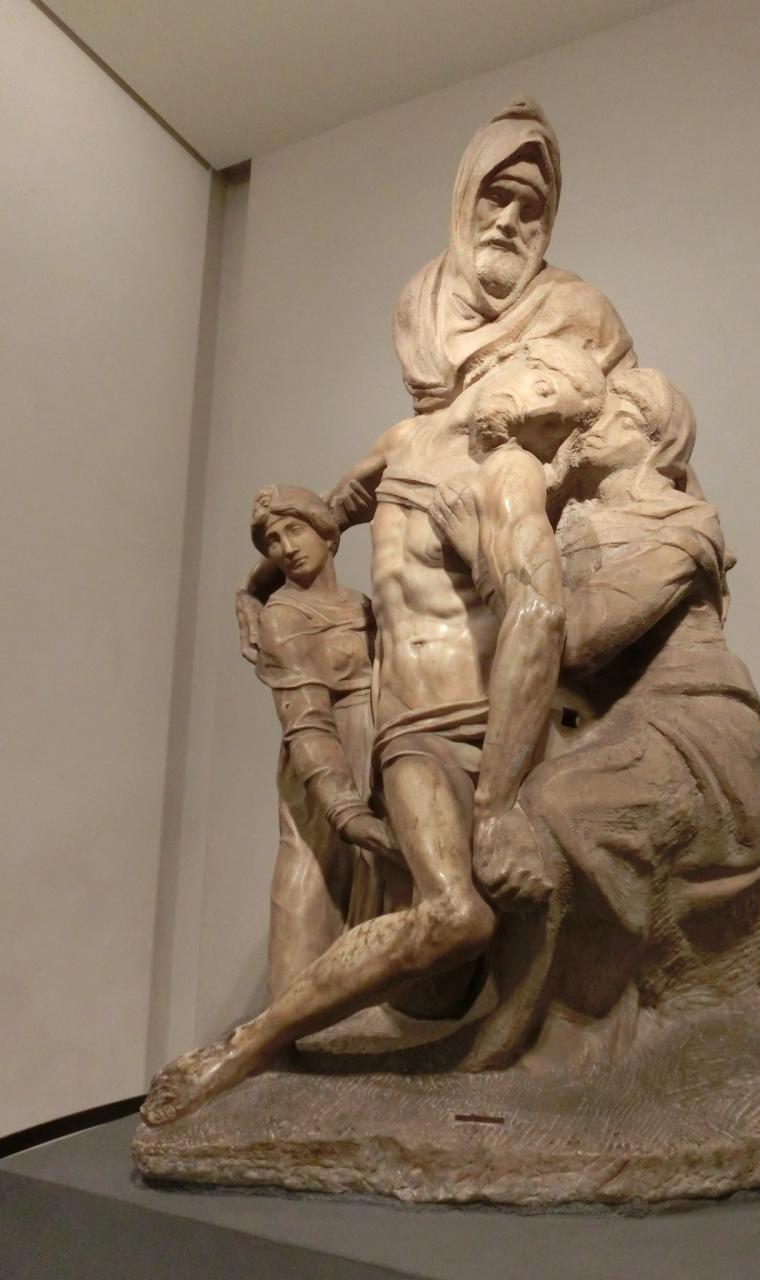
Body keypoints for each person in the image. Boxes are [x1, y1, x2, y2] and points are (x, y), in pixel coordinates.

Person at [140, 338, 607, 1125]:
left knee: (472, 935)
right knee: (455, 916)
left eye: (555, 421)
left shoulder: (508, 472)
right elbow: (326, 515)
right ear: (518, 362)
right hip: (413, 730)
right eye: (546, 393)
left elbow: (537, 613)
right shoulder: (401, 443)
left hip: (491, 724)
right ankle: (255, 1043)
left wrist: (498, 801)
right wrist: (258, 586)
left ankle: (264, 1038)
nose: (538, 420)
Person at [429, 368, 760, 1070]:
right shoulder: (568, 517)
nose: (591, 422)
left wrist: (479, 552)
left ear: (654, 436)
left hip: (690, 720)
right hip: (607, 722)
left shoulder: (685, 526)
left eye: (614, 412)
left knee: (559, 808)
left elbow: (577, 639)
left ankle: (572, 1022)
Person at [245, 486, 404, 999]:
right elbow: (307, 723)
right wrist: (346, 811)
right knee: (308, 892)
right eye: (273, 540)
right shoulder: (283, 618)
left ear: (327, 534)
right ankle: (284, 1025)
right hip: (325, 769)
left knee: (381, 903)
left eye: (295, 529)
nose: (286, 547)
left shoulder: (364, 606)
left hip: (379, 754)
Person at [392, 97, 637, 414]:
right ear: (466, 198)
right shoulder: (418, 304)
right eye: (497, 196)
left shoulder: (582, 310)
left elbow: (634, 419)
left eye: (530, 209)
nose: (508, 222)